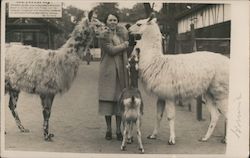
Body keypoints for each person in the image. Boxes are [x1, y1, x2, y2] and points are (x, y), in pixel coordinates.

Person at [98, 12, 135, 141]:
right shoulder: (103, 34)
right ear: (106, 22)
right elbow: (111, 50)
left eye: (115, 20)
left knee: (119, 101)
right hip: (108, 71)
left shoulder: (121, 34)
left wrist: (129, 45)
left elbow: (126, 53)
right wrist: (125, 44)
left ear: (117, 22)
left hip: (121, 71)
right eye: (110, 20)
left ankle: (119, 130)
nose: (113, 22)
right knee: (108, 100)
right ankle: (108, 130)